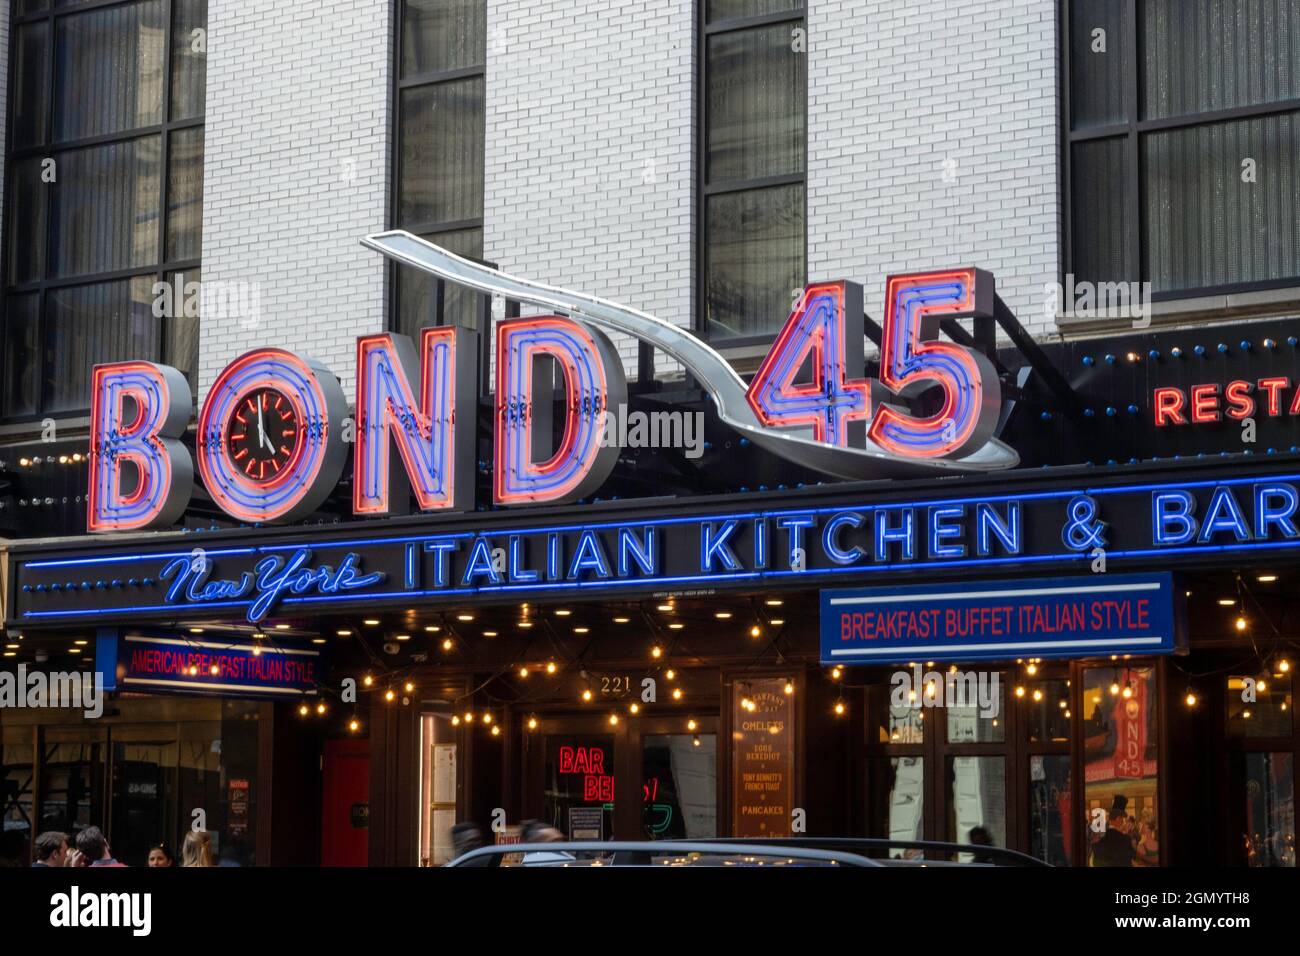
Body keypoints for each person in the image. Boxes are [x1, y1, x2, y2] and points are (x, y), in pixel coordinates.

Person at [1091, 795, 1136, 867]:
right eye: (1123, 819)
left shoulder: (1100, 842)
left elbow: (1096, 862)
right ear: (1118, 819)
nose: (1124, 823)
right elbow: (1132, 857)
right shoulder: (1126, 839)